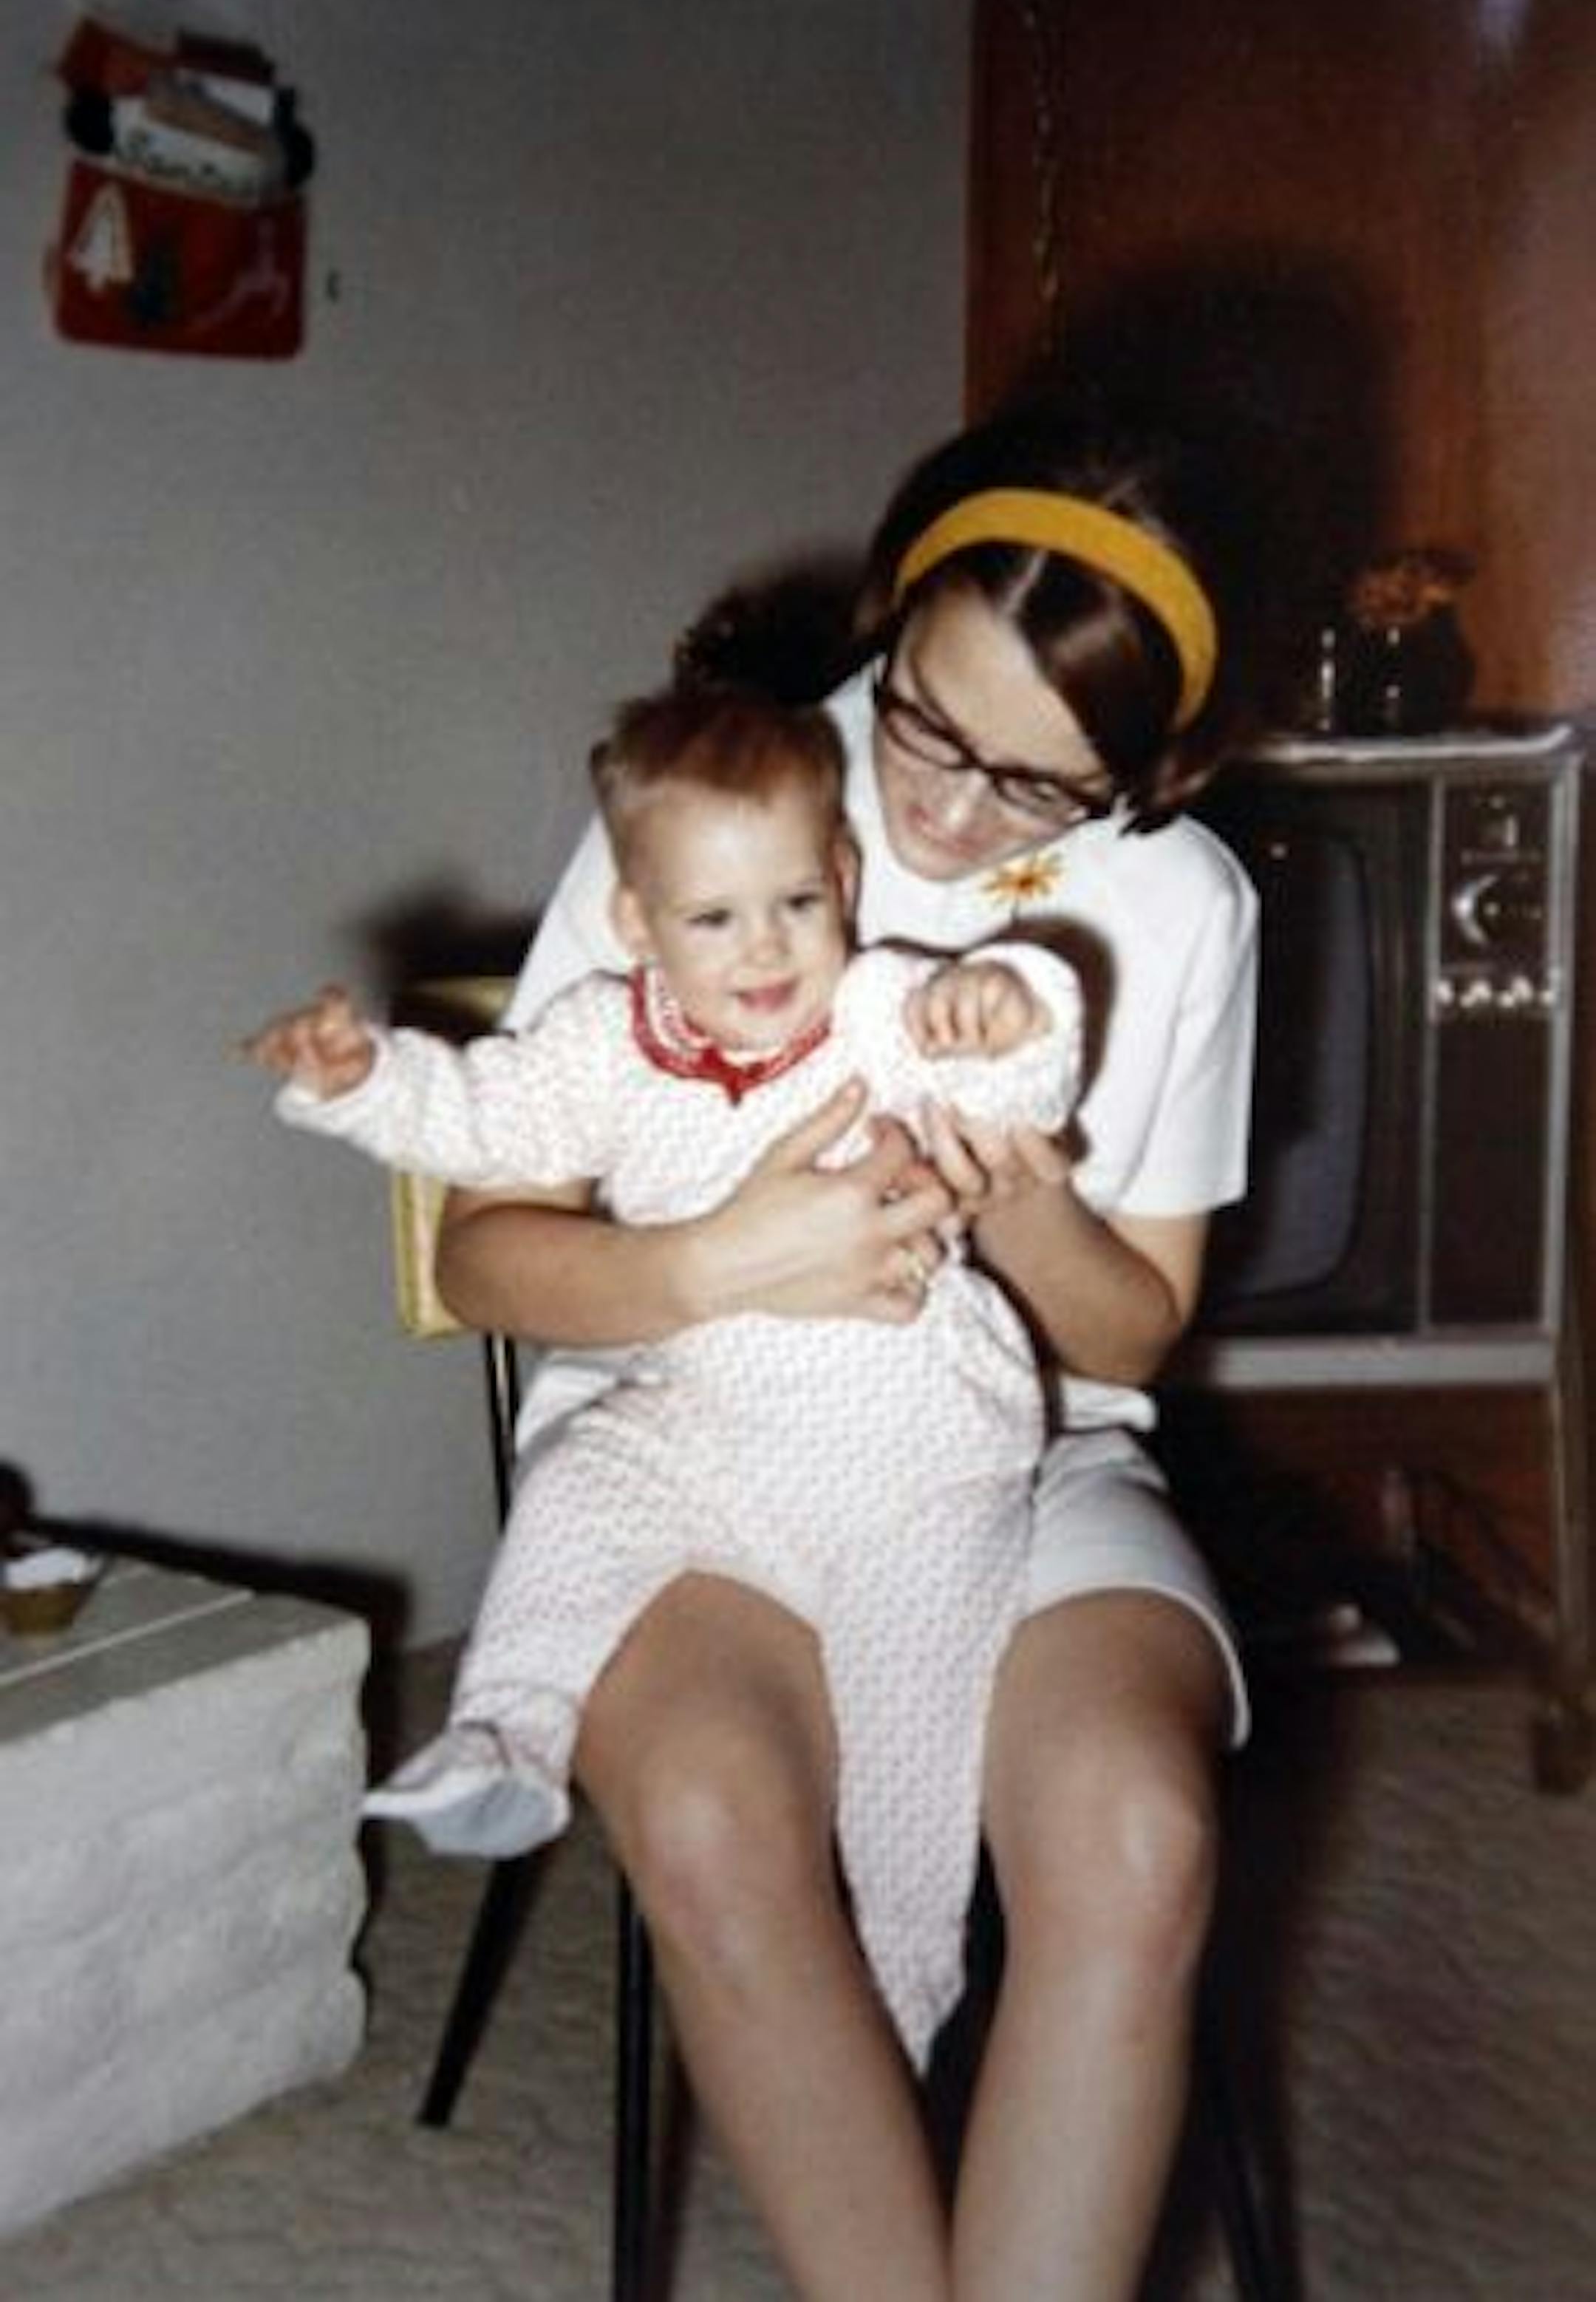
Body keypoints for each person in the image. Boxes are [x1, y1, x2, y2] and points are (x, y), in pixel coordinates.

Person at [437, 400, 1259, 2301]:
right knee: (712, 1813)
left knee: (1135, 1835)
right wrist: (721, 1258)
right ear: (890, 616)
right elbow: (486, 1255)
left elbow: (1135, 1331)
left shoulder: (1183, 903)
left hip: (1025, 1449)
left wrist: (1023, 1203)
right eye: (927, 725)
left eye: (1041, 788)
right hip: (687, 1427)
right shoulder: (722, 798)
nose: (950, 820)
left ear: (1153, 769)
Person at [248, 683, 1085, 2064]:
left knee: (912, 1739)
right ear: (636, 923)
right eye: (713, 918)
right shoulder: (598, 1040)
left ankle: (908, 1975)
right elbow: (481, 1118)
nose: (766, 949)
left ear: (844, 881)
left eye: (796, 903)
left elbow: (1016, 1082)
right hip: (709, 1431)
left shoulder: (881, 1008)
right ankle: (508, 1730)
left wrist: (1011, 1009)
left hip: (919, 1464)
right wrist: (361, 1082)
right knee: (582, 1480)